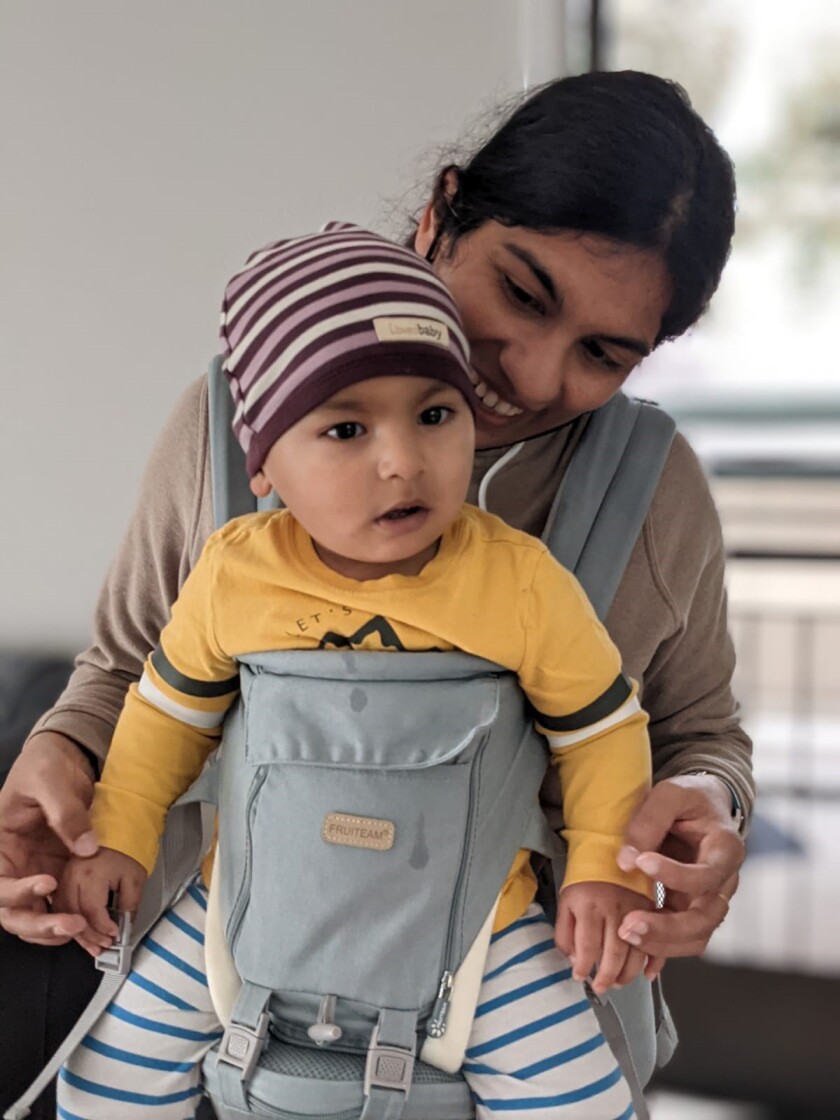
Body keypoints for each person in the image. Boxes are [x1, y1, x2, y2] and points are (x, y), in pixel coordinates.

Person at [0, 70, 751, 1116]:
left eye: (602, 354)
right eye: (523, 294)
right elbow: (130, 672)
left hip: (503, 1005)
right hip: (233, 1008)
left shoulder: (651, 490)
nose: (532, 376)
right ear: (441, 216)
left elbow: (700, 732)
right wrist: (65, 765)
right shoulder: (230, 421)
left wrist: (704, 813)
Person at [56, 223, 655, 1119]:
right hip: (242, 914)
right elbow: (163, 718)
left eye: (435, 414)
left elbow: (603, 734)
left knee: (583, 1098)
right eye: (344, 427)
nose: (402, 460)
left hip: (478, 938)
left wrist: (605, 868)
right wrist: (120, 836)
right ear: (263, 464)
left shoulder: (523, 584)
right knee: (105, 1077)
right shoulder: (232, 574)